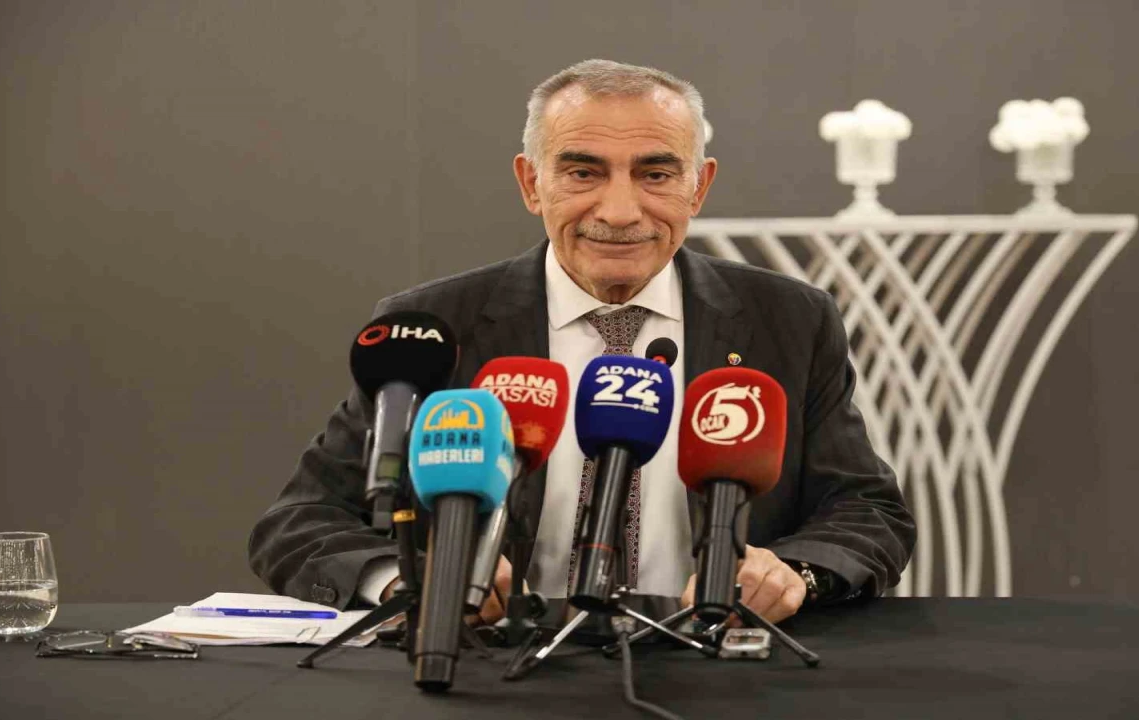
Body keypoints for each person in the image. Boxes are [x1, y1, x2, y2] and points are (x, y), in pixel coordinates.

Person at [249, 59, 914, 628]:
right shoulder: (431, 326)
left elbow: (867, 510)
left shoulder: (788, 320)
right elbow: (302, 520)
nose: (619, 212)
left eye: (656, 175)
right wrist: (413, 581)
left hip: (718, 664)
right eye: (583, 173)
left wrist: (794, 572)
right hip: (493, 669)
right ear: (531, 183)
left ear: (699, 187)